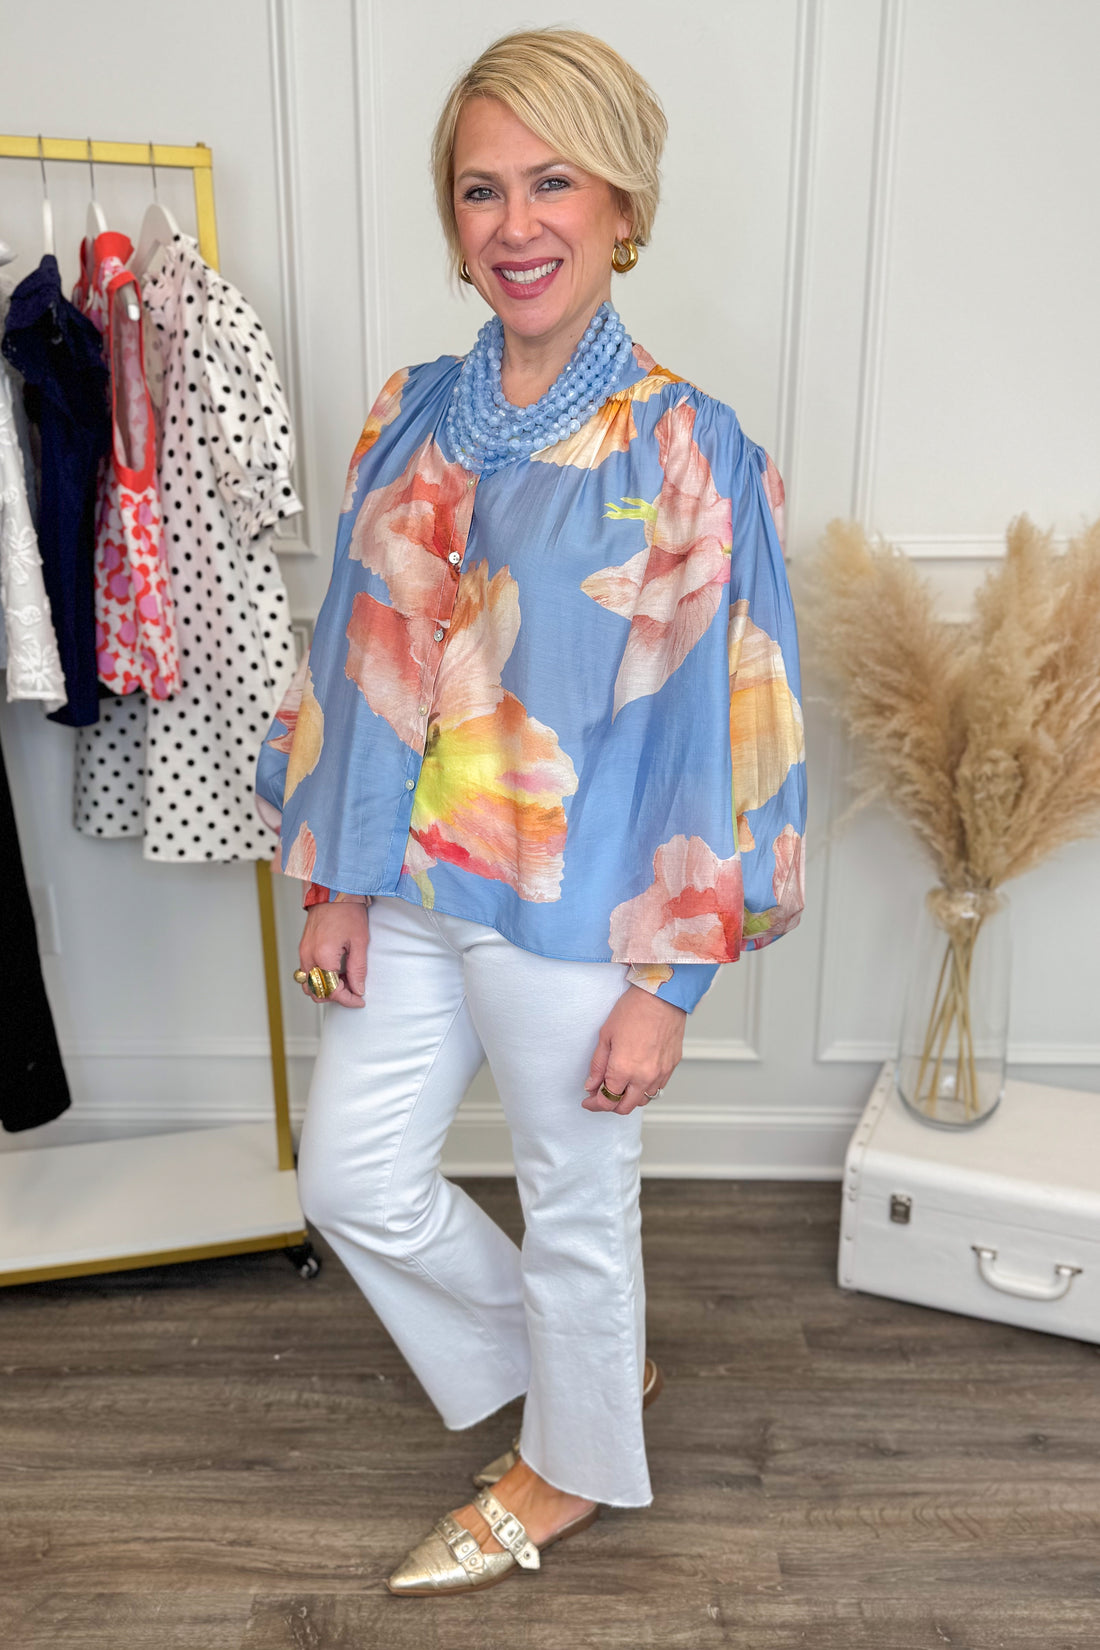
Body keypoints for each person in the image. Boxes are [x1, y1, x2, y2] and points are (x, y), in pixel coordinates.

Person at [255, 26, 807, 1597]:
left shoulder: (683, 443)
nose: (516, 223)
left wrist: (671, 979)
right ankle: (585, 1368)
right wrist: (337, 882)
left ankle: (564, 1467)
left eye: (552, 182)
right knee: (352, 1181)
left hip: (580, 908)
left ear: (623, 205)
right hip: (410, 886)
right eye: (482, 188)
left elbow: (729, 718)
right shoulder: (410, 412)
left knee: (579, 1203)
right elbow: (354, 664)